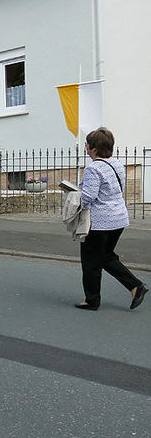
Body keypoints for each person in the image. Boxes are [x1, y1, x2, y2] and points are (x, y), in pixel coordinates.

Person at [75, 127, 147, 310]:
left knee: (91, 261)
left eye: (87, 144)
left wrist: (74, 198)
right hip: (119, 219)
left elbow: (88, 197)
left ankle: (91, 301)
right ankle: (135, 286)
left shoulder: (93, 168)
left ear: (94, 148)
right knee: (106, 257)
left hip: (100, 222)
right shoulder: (116, 164)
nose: (86, 146)